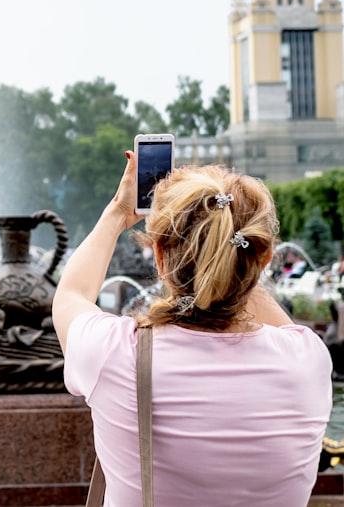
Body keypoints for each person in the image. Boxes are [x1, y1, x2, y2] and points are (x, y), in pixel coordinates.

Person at [53, 153, 332, 506]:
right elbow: (256, 296)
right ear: (263, 258)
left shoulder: (114, 353)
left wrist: (119, 213)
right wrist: (232, 252)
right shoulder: (308, 360)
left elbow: (71, 295)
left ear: (159, 257)